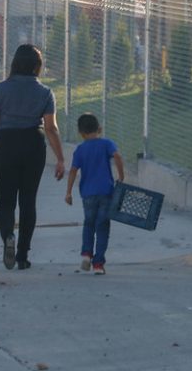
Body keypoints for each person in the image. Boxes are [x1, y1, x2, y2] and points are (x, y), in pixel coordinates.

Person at [0, 44, 65, 270]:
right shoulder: (45, 93)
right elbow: (51, 128)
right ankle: (22, 255)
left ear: (15, 64)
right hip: (33, 145)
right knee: (28, 201)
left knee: (6, 200)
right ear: (37, 67)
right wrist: (60, 158)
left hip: (6, 144)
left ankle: (8, 235)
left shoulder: (1, 89)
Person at [65, 113, 124, 275]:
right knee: (103, 226)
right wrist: (121, 176)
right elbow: (117, 156)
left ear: (81, 133)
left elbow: (72, 171)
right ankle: (98, 264)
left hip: (88, 194)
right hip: (106, 192)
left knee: (89, 223)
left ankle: (86, 254)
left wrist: (68, 192)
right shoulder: (106, 144)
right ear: (99, 128)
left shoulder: (80, 149)